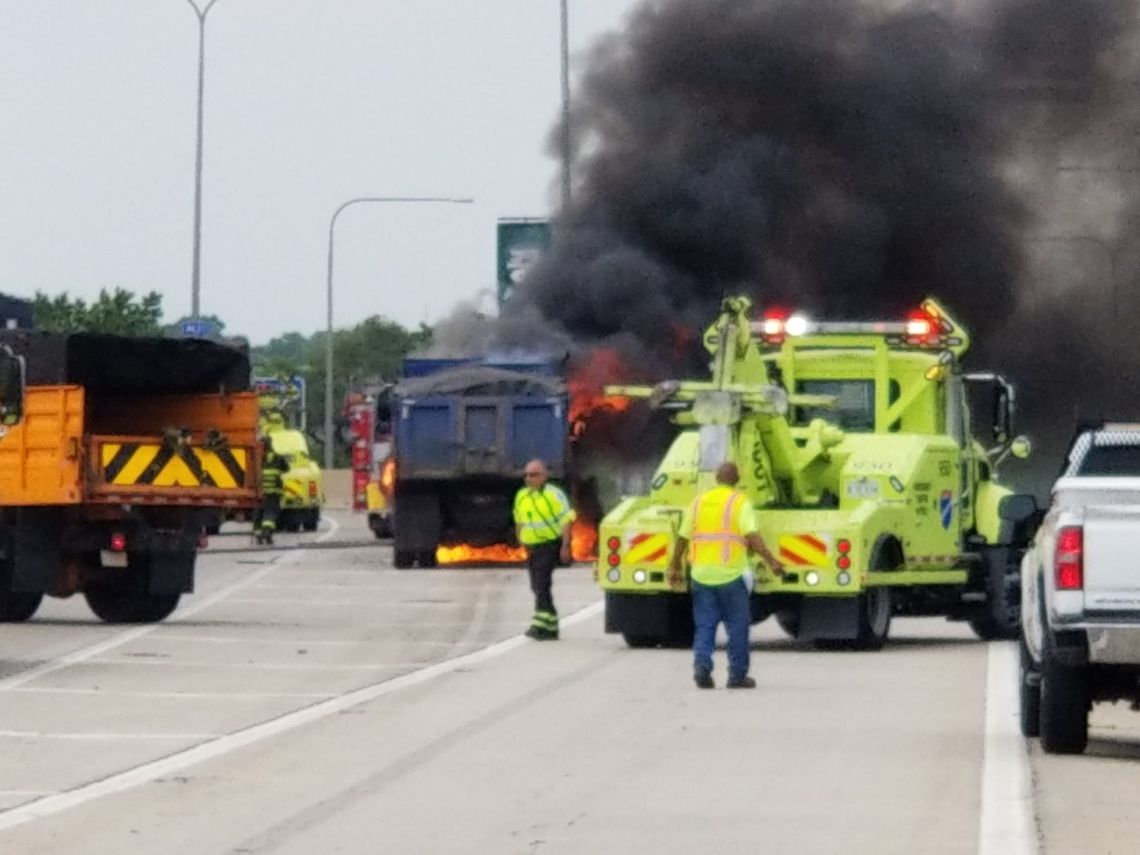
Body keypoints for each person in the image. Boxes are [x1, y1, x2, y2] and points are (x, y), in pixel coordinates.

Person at [668, 462, 784, 689]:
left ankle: (702, 667)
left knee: (705, 625)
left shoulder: (698, 503)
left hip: (701, 575)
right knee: (738, 626)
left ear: (716, 478)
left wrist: (674, 566)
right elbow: (752, 536)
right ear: (737, 479)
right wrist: (772, 561)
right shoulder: (739, 503)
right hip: (731, 576)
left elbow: (682, 537)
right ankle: (737, 676)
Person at [513, 459, 575, 640]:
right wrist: (520, 540)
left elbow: (566, 520)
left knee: (541, 584)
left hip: (549, 544)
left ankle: (539, 626)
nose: (528, 478)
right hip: (532, 547)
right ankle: (551, 624)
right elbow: (519, 519)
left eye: (533, 475)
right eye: (526, 475)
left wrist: (565, 546)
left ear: (544, 476)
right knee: (536, 585)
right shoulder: (522, 496)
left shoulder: (555, 495)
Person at [255, 437, 285, 545]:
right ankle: (267, 533)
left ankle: (258, 535)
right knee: (271, 514)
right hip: (274, 492)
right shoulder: (278, 457)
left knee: (259, 514)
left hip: (258, 492)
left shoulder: (257, 457)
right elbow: (287, 468)